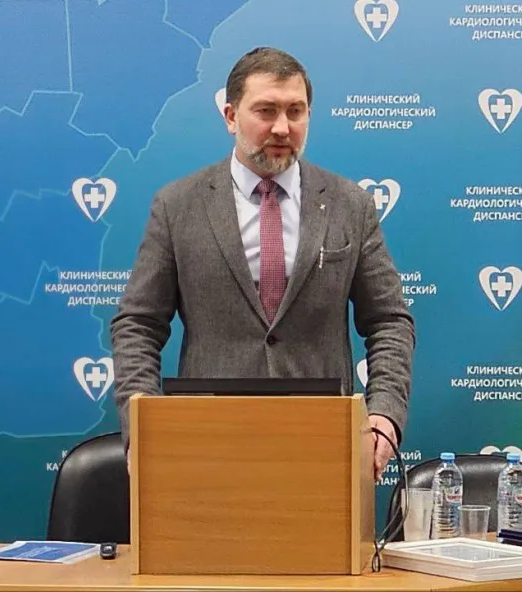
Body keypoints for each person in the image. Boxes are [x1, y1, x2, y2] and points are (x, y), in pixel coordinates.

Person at [110, 47, 415, 479]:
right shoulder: (177, 206)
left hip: (324, 446)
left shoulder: (350, 205)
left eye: (295, 111)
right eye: (266, 111)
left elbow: (388, 320)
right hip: (207, 445)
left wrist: (384, 413)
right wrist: (143, 424)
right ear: (231, 116)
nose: (282, 127)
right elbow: (138, 324)